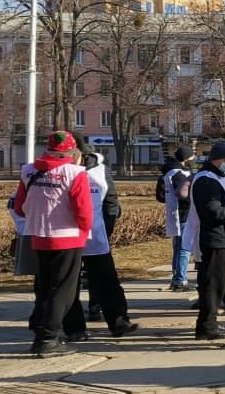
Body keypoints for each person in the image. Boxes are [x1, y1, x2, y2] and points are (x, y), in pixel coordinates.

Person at [14, 131, 93, 357]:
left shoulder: (28, 171)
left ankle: (41, 330)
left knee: (45, 286)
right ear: (72, 151)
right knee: (63, 291)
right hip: (68, 237)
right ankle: (48, 338)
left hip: (38, 236)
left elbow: (20, 206)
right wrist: (85, 230)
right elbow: (84, 211)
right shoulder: (75, 173)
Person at [64, 139, 137, 340]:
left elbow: (111, 200)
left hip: (96, 238)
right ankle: (75, 329)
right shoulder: (62, 170)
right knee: (70, 285)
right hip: (68, 238)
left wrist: (107, 226)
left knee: (107, 282)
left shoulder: (99, 170)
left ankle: (118, 322)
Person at [185, 142, 225, 341]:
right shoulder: (206, 180)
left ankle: (210, 322)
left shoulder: (218, 178)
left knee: (218, 283)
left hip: (220, 238)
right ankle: (207, 326)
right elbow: (213, 211)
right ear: (216, 160)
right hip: (213, 238)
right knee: (212, 284)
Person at [158, 147, 193, 290]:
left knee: (178, 247)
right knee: (184, 248)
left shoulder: (168, 173)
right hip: (183, 214)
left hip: (174, 213)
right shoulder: (179, 174)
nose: (193, 159)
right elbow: (185, 194)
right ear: (186, 158)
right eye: (192, 156)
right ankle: (180, 279)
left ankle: (176, 277)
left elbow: (160, 196)